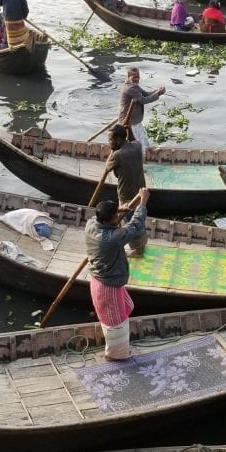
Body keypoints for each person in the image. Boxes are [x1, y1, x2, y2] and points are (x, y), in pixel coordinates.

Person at [85, 188, 151, 360]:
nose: (117, 219)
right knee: (117, 323)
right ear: (108, 221)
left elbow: (107, 217)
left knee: (126, 308)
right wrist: (142, 202)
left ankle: (117, 346)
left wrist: (121, 209)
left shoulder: (91, 224)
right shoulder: (111, 238)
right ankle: (116, 355)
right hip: (107, 285)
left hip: (104, 277)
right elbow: (135, 226)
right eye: (115, 217)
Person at [118, 67, 165, 151]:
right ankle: (141, 158)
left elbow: (146, 94)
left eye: (138, 77)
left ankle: (149, 151)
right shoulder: (129, 89)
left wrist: (157, 91)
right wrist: (158, 94)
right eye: (134, 77)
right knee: (136, 144)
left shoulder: (135, 86)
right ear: (128, 77)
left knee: (143, 138)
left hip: (135, 119)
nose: (137, 79)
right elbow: (143, 100)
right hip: (129, 121)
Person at [104, 124, 146, 212]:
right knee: (138, 214)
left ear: (118, 140)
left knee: (125, 219)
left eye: (110, 140)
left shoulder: (117, 155)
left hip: (126, 196)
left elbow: (107, 167)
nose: (108, 142)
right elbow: (133, 140)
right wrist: (129, 129)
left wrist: (113, 149)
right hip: (141, 193)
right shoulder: (138, 146)